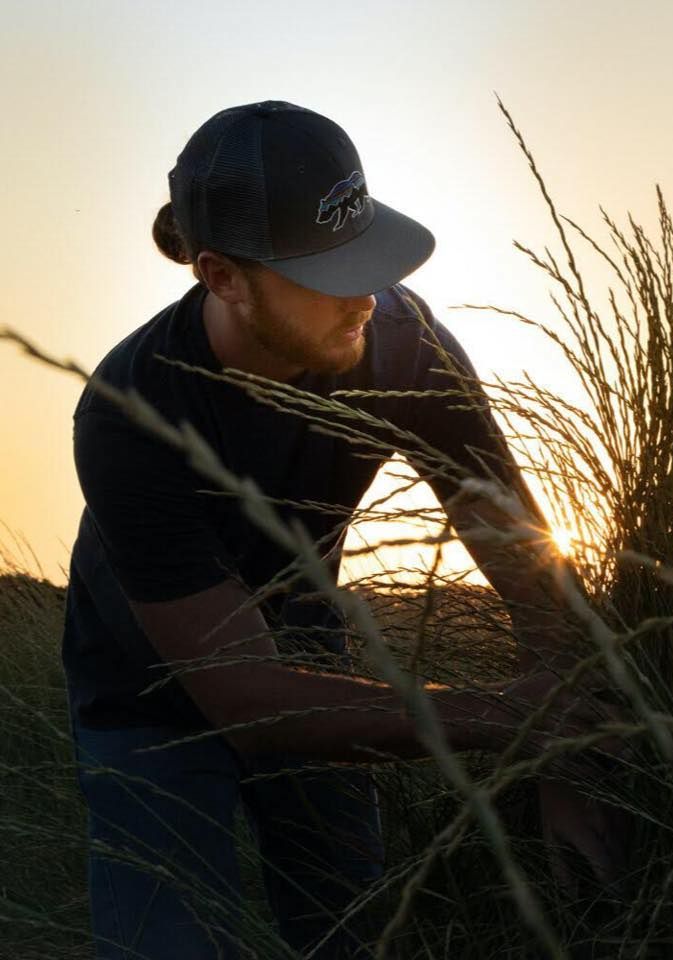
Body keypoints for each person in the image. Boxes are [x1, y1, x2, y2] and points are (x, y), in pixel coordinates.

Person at [64, 100, 615, 960]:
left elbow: (525, 560)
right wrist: (509, 717)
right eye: (328, 274)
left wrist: (564, 759)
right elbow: (245, 701)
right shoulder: (127, 414)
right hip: (144, 690)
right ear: (221, 276)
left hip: (307, 647)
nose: (363, 294)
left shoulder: (406, 346)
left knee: (359, 937)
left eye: (369, 256)